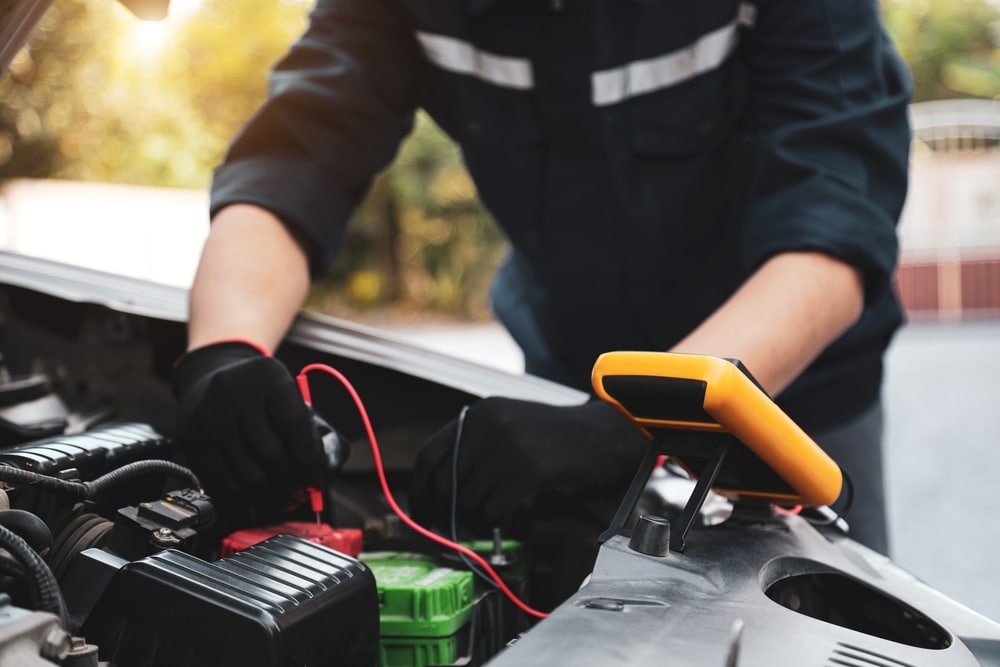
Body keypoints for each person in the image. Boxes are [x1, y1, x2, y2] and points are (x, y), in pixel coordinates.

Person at [171, 0, 912, 587]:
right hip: (570, 397)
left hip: (788, 405)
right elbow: (298, 152)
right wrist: (223, 347)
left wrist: (634, 419)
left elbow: (834, 220)